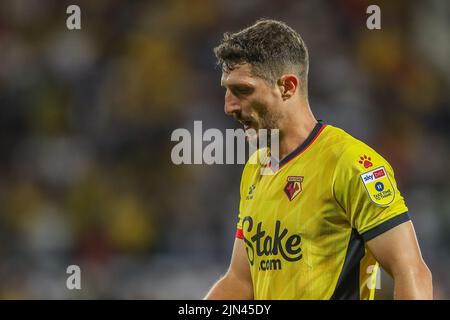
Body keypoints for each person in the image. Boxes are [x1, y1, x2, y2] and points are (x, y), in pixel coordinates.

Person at [204, 19, 432, 300]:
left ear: (287, 86)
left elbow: (411, 271)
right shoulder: (256, 168)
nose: (229, 106)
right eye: (227, 89)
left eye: (243, 90)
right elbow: (240, 282)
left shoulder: (351, 163)